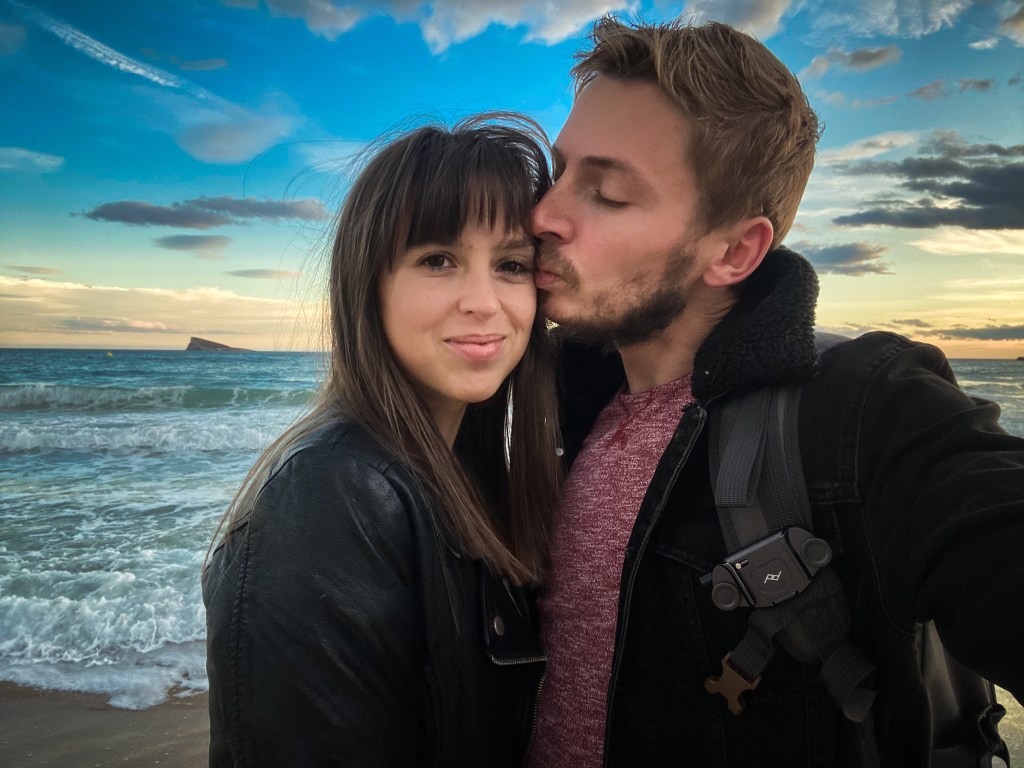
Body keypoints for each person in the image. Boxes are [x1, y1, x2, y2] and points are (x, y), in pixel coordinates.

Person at [528, 17, 1024, 768]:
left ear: (735, 251)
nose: (543, 214)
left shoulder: (866, 413)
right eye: (558, 172)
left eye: (606, 192)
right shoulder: (550, 400)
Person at [202, 114, 562, 767]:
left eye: (511, 265)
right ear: (368, 284)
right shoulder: (332, 493)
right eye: (438, 260)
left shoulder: (463, 479)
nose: (484, 301)